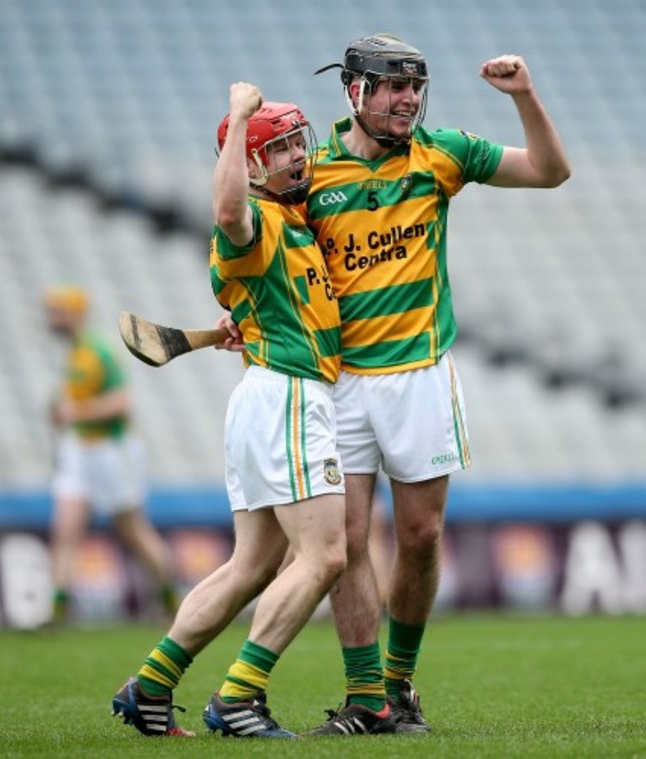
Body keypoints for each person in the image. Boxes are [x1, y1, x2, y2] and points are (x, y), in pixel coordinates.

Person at [300, 33, 571, 735]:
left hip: (420, 375)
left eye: (415, 87)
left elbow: (549, 170)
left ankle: (399, 684)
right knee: (349, 542)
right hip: (341, 381)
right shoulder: (310, 172)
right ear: (354, 90)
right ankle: (366, 698)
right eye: (393, 86)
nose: (408, 99)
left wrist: (525, 97)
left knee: (419, 536)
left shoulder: (441, 153)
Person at [111, 82, 348, 739]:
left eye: (299, 142)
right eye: (279, 149)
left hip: (267, 398)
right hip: (291, 399)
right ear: (248, 164)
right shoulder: (256, 220)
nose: (299, 155)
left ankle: (151, 685)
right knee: (326, 555)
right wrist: (241, 116)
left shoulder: (293, 222)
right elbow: (226, 215)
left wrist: (235, 322)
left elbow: (270, 301)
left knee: (252, 566)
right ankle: (240, 695)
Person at [43, 285, 179, 624]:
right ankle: (57, 608)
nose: (52, 318)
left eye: (59, 311)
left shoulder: (98, 351)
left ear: (75, 312)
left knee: (133, 529)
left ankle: (169, 595)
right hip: (80, 450)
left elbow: (121, 402)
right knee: (65, 526)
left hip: (112, 449)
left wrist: (75, 412)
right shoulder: (75, 352)